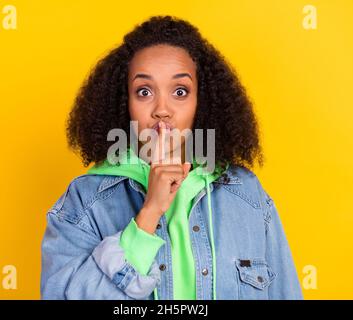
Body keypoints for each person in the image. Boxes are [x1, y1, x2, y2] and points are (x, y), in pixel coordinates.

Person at [40, 15, 303, 300]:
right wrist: (149, 214)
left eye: (180, 91)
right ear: (123, 103)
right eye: (144, 92)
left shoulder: (247, 194)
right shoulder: (84, 201)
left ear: (202, 101)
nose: (162, 109)